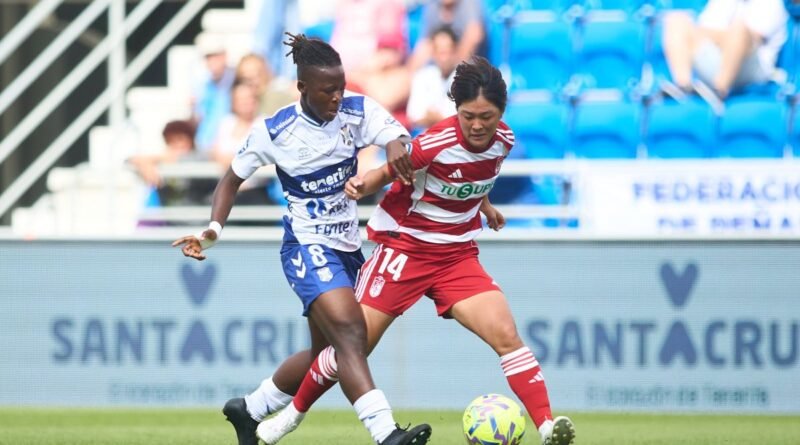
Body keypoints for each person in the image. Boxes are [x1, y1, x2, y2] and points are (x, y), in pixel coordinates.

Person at [257, 56, 577, 445]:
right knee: (352, 345)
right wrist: (364, 184)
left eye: (487, 117)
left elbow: (475, 178)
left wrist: (486, 207)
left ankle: (546, 426)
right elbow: (389, 170)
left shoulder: (504, 142)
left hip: (457, 256)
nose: (477, 125)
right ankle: (287, 419)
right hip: (404, 251)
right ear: (455, 110)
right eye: (468, 115)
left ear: (501, 113)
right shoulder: (435, 142)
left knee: (507, 334)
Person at [171, 33, 431, 445]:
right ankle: (386, 434)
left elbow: (397, 136)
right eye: (328, 90)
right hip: (306, 247)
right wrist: (213, 231)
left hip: (349, 247)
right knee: (351, 333)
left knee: (325, 357)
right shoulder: (275, 130)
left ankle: (250, 409)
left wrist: (398, 147)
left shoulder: (356, 110)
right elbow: (231, 180)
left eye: (341, 87)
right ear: (302, 88)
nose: (337, 97)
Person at [662, 0, 788, 99]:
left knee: (739, 30)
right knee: (677, 20)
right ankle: (683, 87)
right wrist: (722, 37)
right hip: (716, 57)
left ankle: (720, 91)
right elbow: (704, 28)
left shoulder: (772, 3)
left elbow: (752, 37)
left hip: (754, 68)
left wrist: (716, 36)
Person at [407, 0, 485, 72]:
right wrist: (410, 74)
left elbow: (474, 35)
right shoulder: (432, 6)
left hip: (467, 70)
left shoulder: (469, 4)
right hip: (438, 71)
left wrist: (454, 66)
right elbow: (424, 46)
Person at [406, 25, 459, 131]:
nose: (443, 58)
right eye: (439, 52)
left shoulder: (467, 79)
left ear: (455, 51)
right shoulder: (422, 76)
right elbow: (414, 115)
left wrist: (434, 118)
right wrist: (441, 119)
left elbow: (462, 121)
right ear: (433, 53)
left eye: (447, 51)